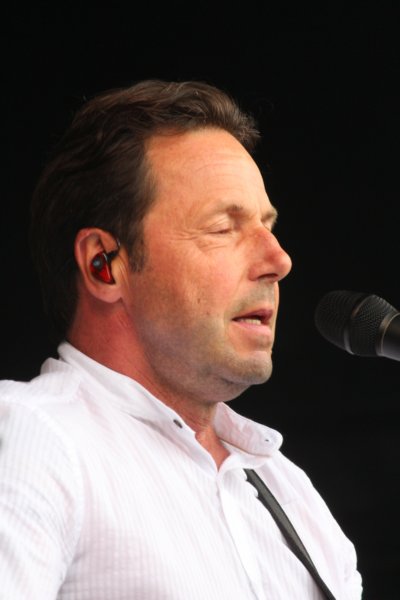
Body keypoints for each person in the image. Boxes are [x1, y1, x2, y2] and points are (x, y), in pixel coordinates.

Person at [0, 79, 362, 599]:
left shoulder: (289, 491)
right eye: (223, 228)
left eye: (268, 226)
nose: (279, 260)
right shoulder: (36, 437)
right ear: (104, 265)